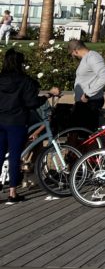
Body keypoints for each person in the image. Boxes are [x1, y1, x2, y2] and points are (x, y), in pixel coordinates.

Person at [0, 49, 59, 203]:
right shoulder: (24, 80)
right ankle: (13, 193)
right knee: (15, 156)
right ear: (21, 64)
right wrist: (48, 95)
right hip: (16, 122)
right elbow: (32, 102)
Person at [54, 39, 105, 131]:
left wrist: (88, 94)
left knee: (84, 132)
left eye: (73, 54)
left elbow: (104, 77)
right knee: (77, 131)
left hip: (91, 101)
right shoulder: (86, 58)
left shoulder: (93, 58)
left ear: (75, 50)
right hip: (84, 102)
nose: (73, 56)